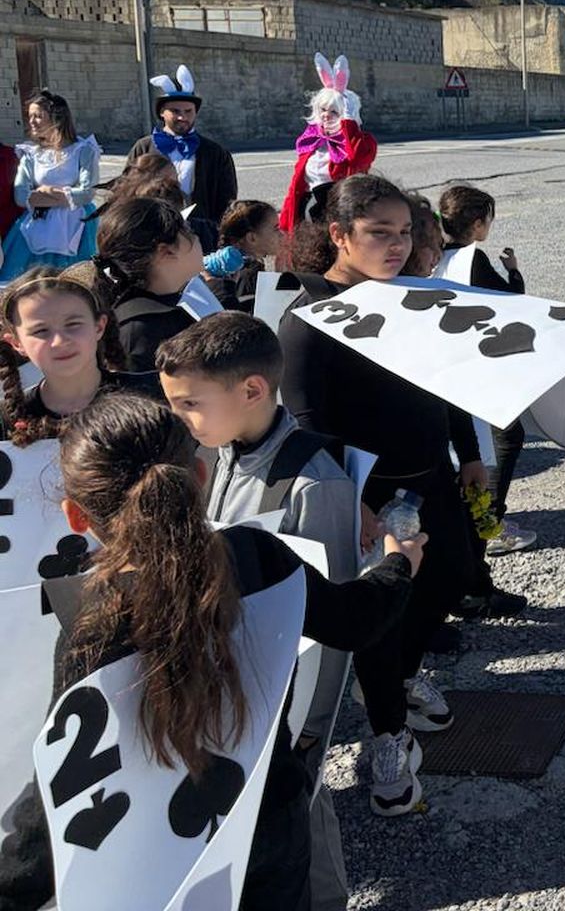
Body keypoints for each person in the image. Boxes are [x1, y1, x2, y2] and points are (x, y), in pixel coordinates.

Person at [0, 393, 420, 911]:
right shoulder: (259, 556)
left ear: (76, 516)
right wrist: (397, 566)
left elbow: (61, 777)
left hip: (156, 856)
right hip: (269, 821)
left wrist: (13, 882)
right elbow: (357, 620)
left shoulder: (91, 618)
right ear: (200, 476)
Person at [278, 174, 485, 812]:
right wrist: (352, 498)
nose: (396, 246)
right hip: (370, 493)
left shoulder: (411, 298)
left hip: (433, 476)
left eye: (403, 233)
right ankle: (388, 741)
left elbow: (444, 381)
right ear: (338, 235)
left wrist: (470, 453)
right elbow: (308, 422)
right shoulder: (309, 320)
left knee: (451, 579)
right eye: (378, 233)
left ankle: (396, 682)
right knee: (382, 614)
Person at [154, 311, 359, 911]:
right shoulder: (219, 450)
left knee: (303, 808)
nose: (179, 419)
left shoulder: (310, 485)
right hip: (242, 684)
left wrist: (311, 731)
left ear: (251, 391)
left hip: (289, 705)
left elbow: (332, 621)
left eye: (189, 403)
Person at [437, 183, 538, 557]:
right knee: (506, 439)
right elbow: (512, 304)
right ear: (479, 224)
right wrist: (513, 273)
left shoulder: (433, 255)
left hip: (447, 366)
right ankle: (489, 521)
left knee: (466, 447)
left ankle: (476, 519)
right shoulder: (472, 259)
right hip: (479, 366)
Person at [0, 268, 155, 445]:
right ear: (16, 343)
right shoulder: (5, 421)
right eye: (41, 331)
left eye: (73, 324)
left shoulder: (155, 394)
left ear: (99, 327)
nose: (60, 341)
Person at [92, 196, 206, 373]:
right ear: (165, 251)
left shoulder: (175, 304)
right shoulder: (140, 329)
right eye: (188, 231)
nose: (197, 238)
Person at [0, 89, 101, 280]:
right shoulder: (31, 154)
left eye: (38, 116)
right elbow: (21, 196)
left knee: (72, 278)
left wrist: (46, 193)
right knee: (23, 278)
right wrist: (56, 195)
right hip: (38, 223)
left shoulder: (83, 150)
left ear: (57, 118)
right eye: (30, 116)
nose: (32, 121)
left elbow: (87, 192)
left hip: (74, 224)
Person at [126, 64, 239, 224]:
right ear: (161, 112)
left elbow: (227, 200)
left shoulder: (215, 153)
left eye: (188, 111)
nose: (182, 117)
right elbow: (127, 191)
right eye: (175, 111)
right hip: (151, 230)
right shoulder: (143, 148)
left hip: (200, 232)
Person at [278, 53, 378, 234]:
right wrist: (285, 222)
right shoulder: (312, 141)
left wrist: (349, 125)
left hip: (340, 215)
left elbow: (357, 161)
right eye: (323, 109)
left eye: (334, 111)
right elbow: (296, 185)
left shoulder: (363, 141)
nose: (326, 115)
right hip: (308, 214)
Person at [213, 200, 284, 313]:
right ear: (252, 238)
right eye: (276, 229)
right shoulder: (250, 275)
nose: (281, 234)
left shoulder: (223, 263)